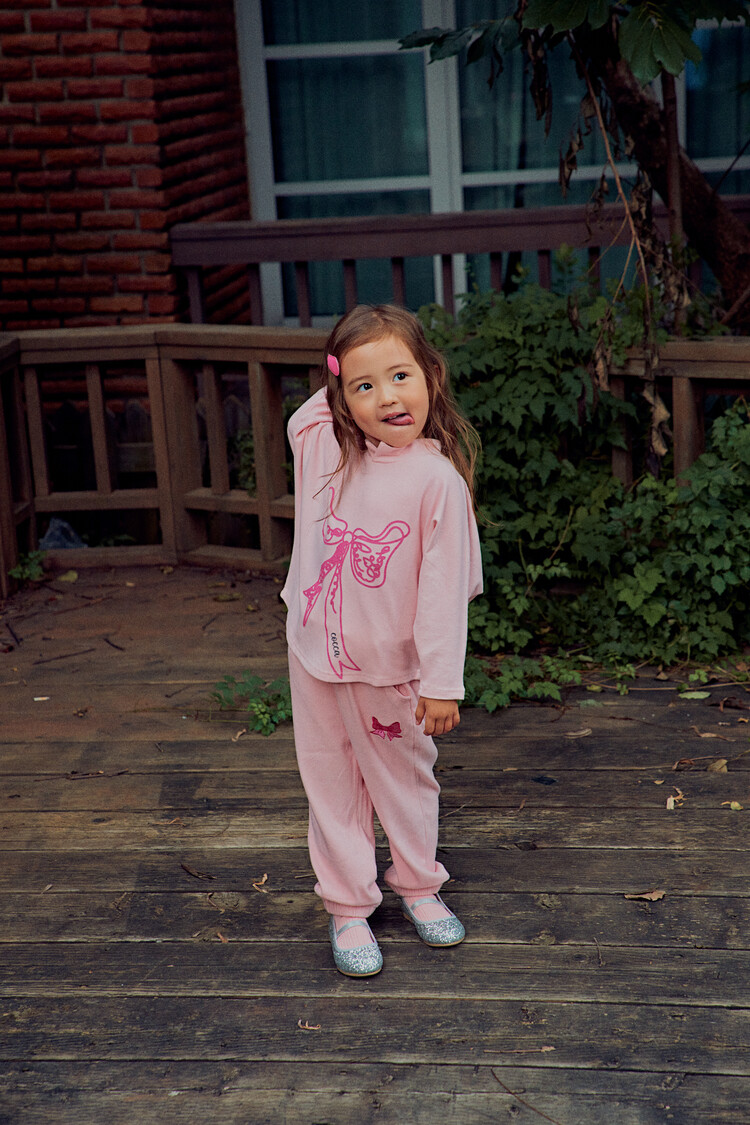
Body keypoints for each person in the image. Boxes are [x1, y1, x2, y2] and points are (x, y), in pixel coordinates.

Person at [281, 304, 483, 977]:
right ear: (339, 396)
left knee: (403, 781)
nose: (388, 397)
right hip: (316, 657)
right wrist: (340, 373)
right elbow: (309, 413)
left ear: (431, 376)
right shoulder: (326, 449)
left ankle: (419, 885)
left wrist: (441, 682)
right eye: (365, 386)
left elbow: (443, 592)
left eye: (401, 376)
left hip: (393, 671)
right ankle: (346, 906)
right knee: (331, 783)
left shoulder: (436, 482)